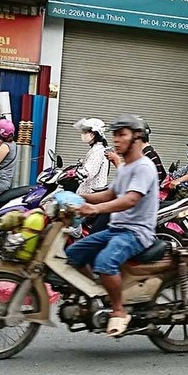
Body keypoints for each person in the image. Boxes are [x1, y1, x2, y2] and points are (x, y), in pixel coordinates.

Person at [67, 114, 158, 338]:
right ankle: (100, 294)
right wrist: (78, 198)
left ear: (137, 137)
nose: (116, 140)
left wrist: (95, 209)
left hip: (136, 232)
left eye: (121, 135)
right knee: (73, 253)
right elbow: (110, 193)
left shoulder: (144, 167)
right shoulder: (126, 166)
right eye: (114, 135)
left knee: (105, 263)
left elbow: (130, 200)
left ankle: (119, 309)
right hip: (117, 229)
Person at [73, 118, 109, 195]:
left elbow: (87, 173)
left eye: (84, 132)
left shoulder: (98, 151)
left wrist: (72, 174)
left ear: (92, 134)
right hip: (90, 194)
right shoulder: (97, 149)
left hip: (91, 195)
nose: (82, 134)